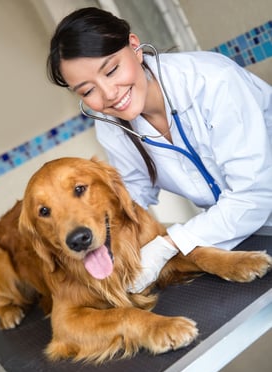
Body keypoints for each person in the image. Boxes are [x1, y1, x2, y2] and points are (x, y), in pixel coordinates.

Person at [47, 7, 272, 292]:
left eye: (112, 70)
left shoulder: (214, 81)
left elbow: (253, 194)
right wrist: (100, 240)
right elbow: (133, 195)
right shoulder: (111, 125)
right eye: (87, 90)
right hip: (245, 234)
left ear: (134, 47)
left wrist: (167, 246)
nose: (109, 94)